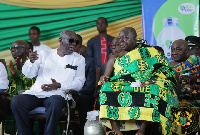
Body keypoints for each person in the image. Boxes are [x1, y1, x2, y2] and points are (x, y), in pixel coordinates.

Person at [99, 27, 178, 135]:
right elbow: (105, 78)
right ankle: (116, 130)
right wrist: (103, 79)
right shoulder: (115, 58)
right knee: (106, 88)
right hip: (123, 84)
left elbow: (163, 70)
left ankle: (142, 128)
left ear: (134, 40)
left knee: (154, 89)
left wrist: (151, 81)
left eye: (126, 38)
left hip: (145, 84)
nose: (122, 41)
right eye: (120, 38)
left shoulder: (148, 52)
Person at [11, 30, 85, 135]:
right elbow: (29, 74)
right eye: (71, 40)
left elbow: (79, 82)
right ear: (60, 40)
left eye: (76, 42)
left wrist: (59, 85)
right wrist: (30, 62)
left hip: (58, 94)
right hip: (37, 92)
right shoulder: (44, 54)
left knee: (55, 102)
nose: (74, 44)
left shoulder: (79, 59)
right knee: (16, 101)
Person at [71, 34, 96, 134]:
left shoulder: (89, 61)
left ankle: (83, 130)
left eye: (75, 43)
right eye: (70, 42)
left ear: (80, 47)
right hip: (63, 93)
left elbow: (90, 86)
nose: (72, 45)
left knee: (84, 100)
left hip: (81, 94)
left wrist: (75, 92)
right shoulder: (61, 59)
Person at [171, 39, 200, 105]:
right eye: (173, 50)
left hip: (196, 104)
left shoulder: (195, 61)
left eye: (178, 50)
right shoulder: (166, 67)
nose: (174, 52)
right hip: (177, 105)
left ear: (187, 51)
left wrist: (196, 79)